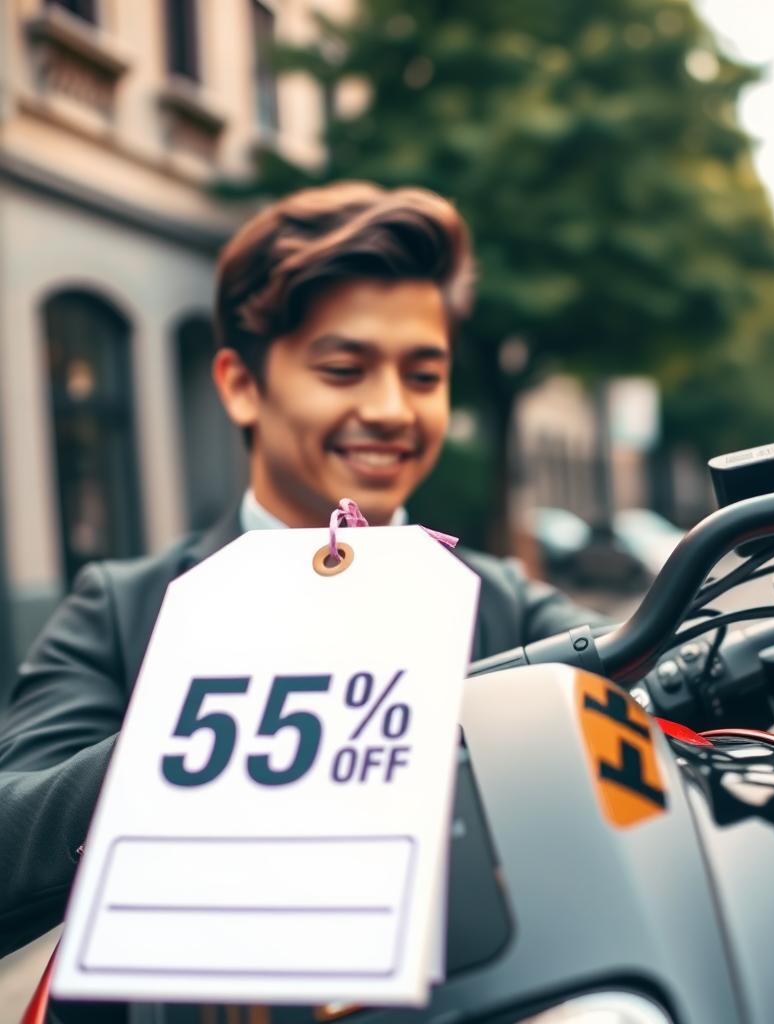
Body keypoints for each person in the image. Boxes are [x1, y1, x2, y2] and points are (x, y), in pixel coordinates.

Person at [0, 181, 600, 958]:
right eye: (345, 369)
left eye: (424, 376)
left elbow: (640, 677)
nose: (392, 409)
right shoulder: (120, 609)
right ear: (240, 385)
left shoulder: (503, 602)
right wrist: (203, 732)